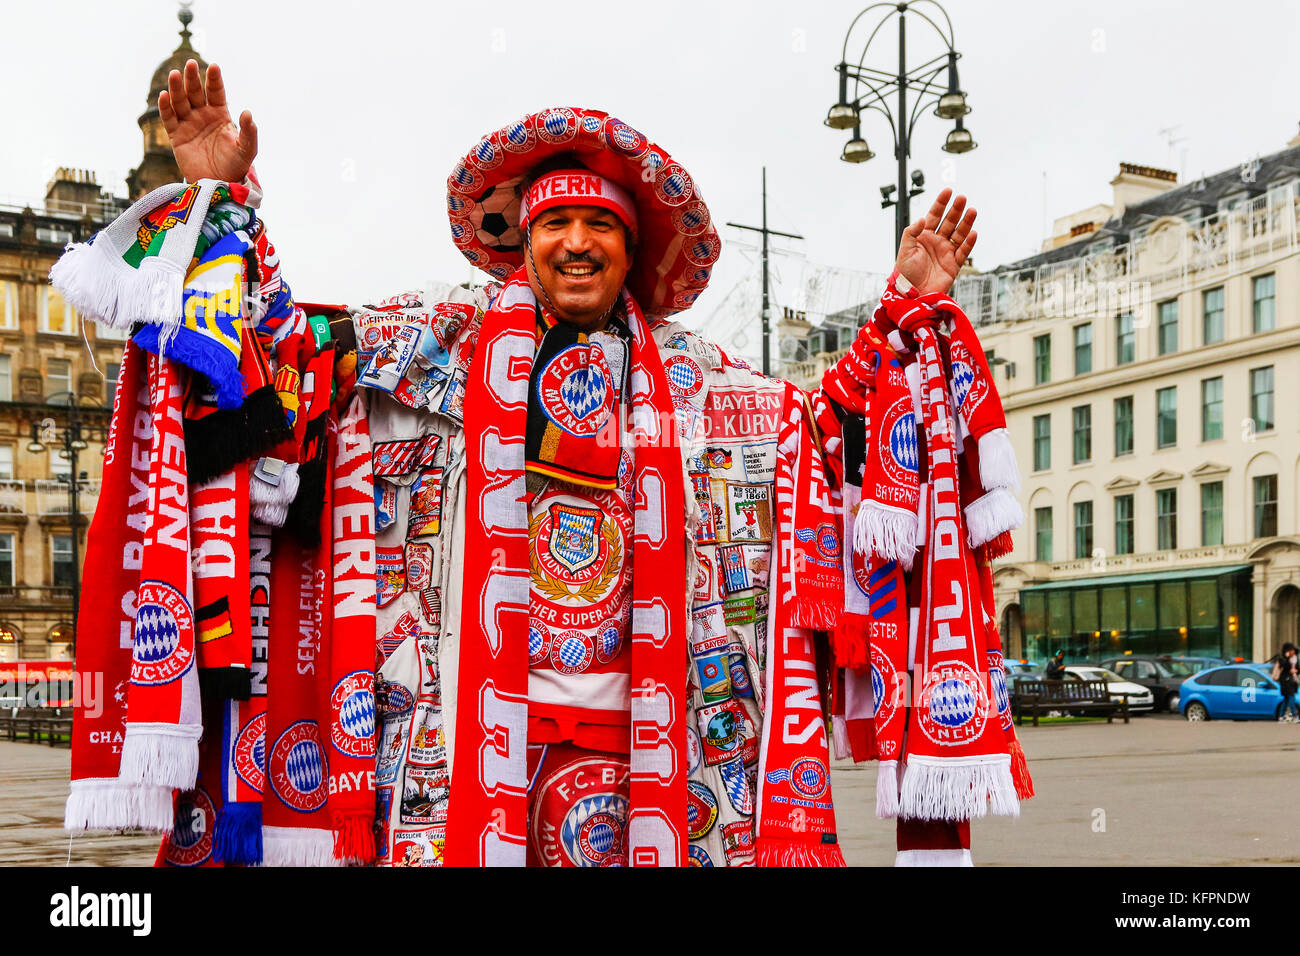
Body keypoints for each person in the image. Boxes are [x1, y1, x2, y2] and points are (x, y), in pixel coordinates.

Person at [67, 58, 1019, 867]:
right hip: (460, 763)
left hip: (658, 769)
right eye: (555, 222)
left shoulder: (697, 384)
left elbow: (828, 437)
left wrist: (902, 311)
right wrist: (220, 202)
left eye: (599, 225)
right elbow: (275, 353)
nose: (575, 241)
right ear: (521, 241)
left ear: (629, 250)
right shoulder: (434, 343)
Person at [1272, 642, 1299, 722]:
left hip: (1293, 681)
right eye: (1291, 650)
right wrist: (1287, 658)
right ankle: (1295, 716)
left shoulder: (1295, 659)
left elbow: (1297, 669)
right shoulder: (1282, 659)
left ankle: (1281, 716)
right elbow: (1286, 666)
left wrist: (1296, 671)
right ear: (1287, 651)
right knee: (1291, 697)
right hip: (1285, 681)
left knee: (1287, 699)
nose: (1293, 652)